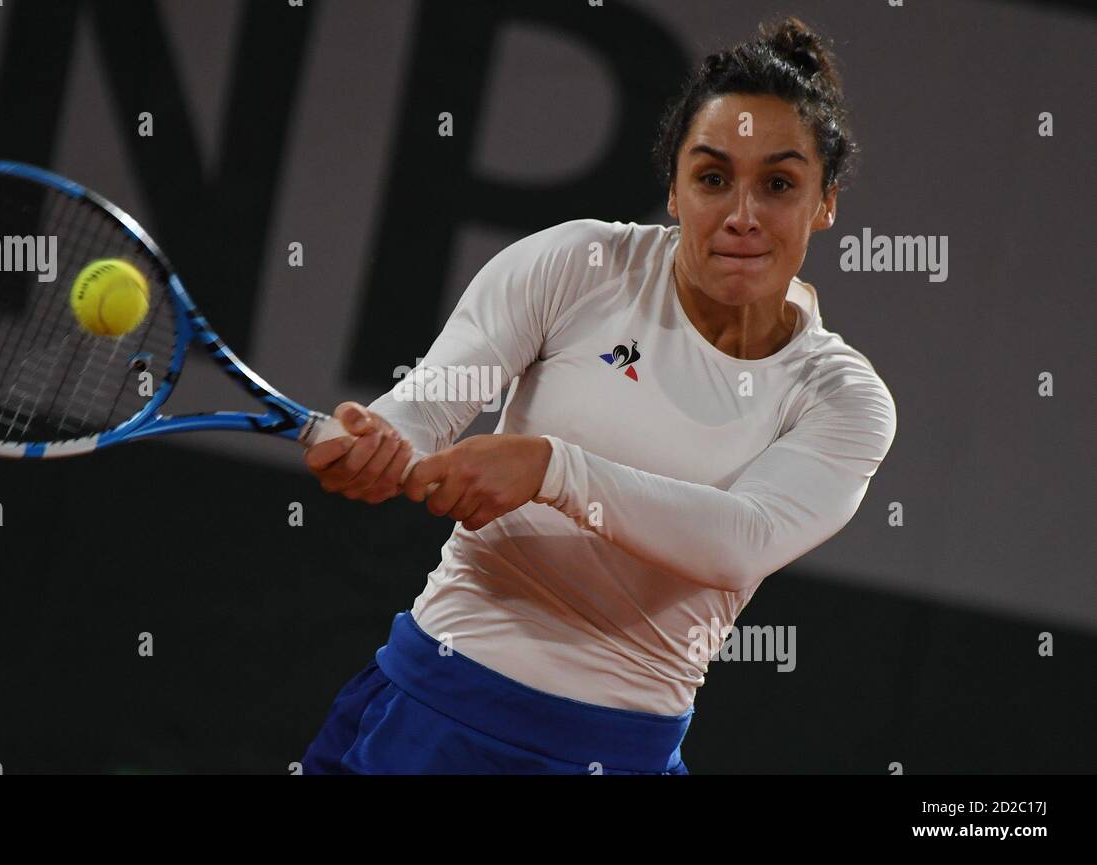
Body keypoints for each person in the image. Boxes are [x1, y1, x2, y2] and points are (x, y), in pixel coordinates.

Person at [300, 16, 896, 774]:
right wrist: (381, 438)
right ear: (675, 190)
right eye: (713, 178)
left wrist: (551, 468)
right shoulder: (578, 264)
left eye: (778, 184)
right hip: (430, 716)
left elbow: (738, 540)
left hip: (617, 754)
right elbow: (429, 402)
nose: (743, 214)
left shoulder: (843, 398)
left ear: (825, 202)